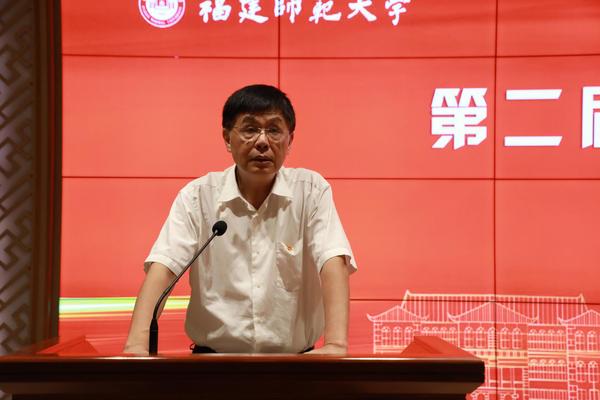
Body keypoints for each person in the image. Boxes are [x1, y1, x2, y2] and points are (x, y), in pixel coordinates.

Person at [124, 84, 357, 355]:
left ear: (290, 140)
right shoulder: (198, 196)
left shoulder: (311, 191)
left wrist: (336, 345)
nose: (262, 141)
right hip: (213, 366)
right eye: (250, 129)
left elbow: (332, 261)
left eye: (274, 130)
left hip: (295, 366)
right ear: (227, 138)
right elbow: (165, 267)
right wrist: (136, 345)